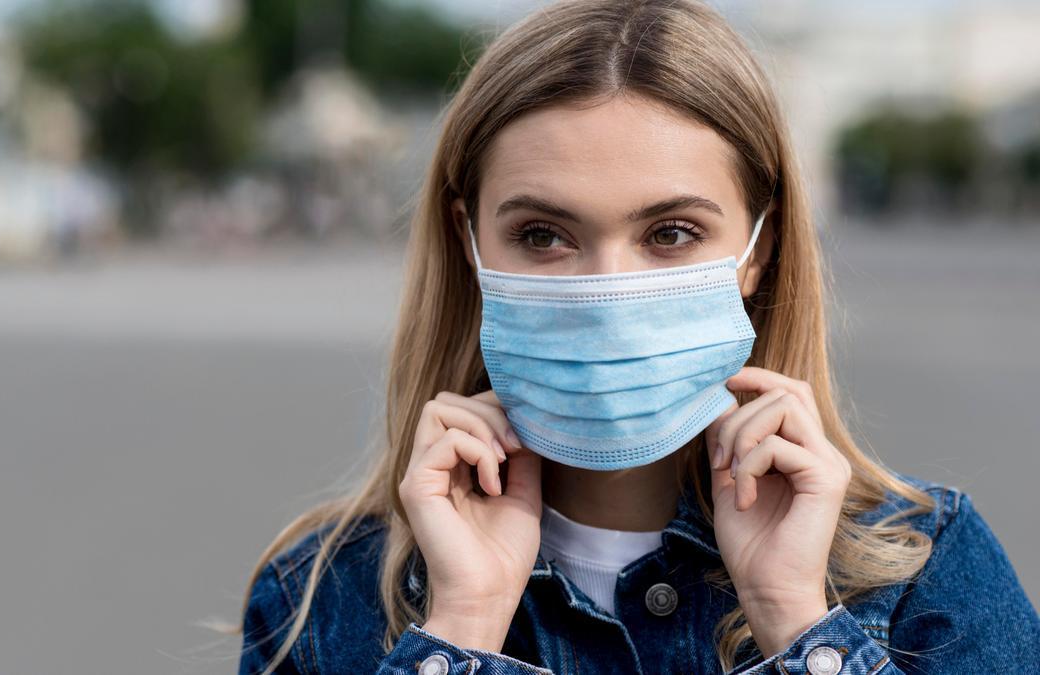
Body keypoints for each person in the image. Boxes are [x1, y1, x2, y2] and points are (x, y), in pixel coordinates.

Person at [231, 1, 1040, 673]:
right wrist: (463, 625)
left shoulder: (923, 570)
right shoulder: (319, 597)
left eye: (672, 232)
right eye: (545, 234)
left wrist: (797, 621)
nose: (606, 291)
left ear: (759, 251)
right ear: (470, 241)